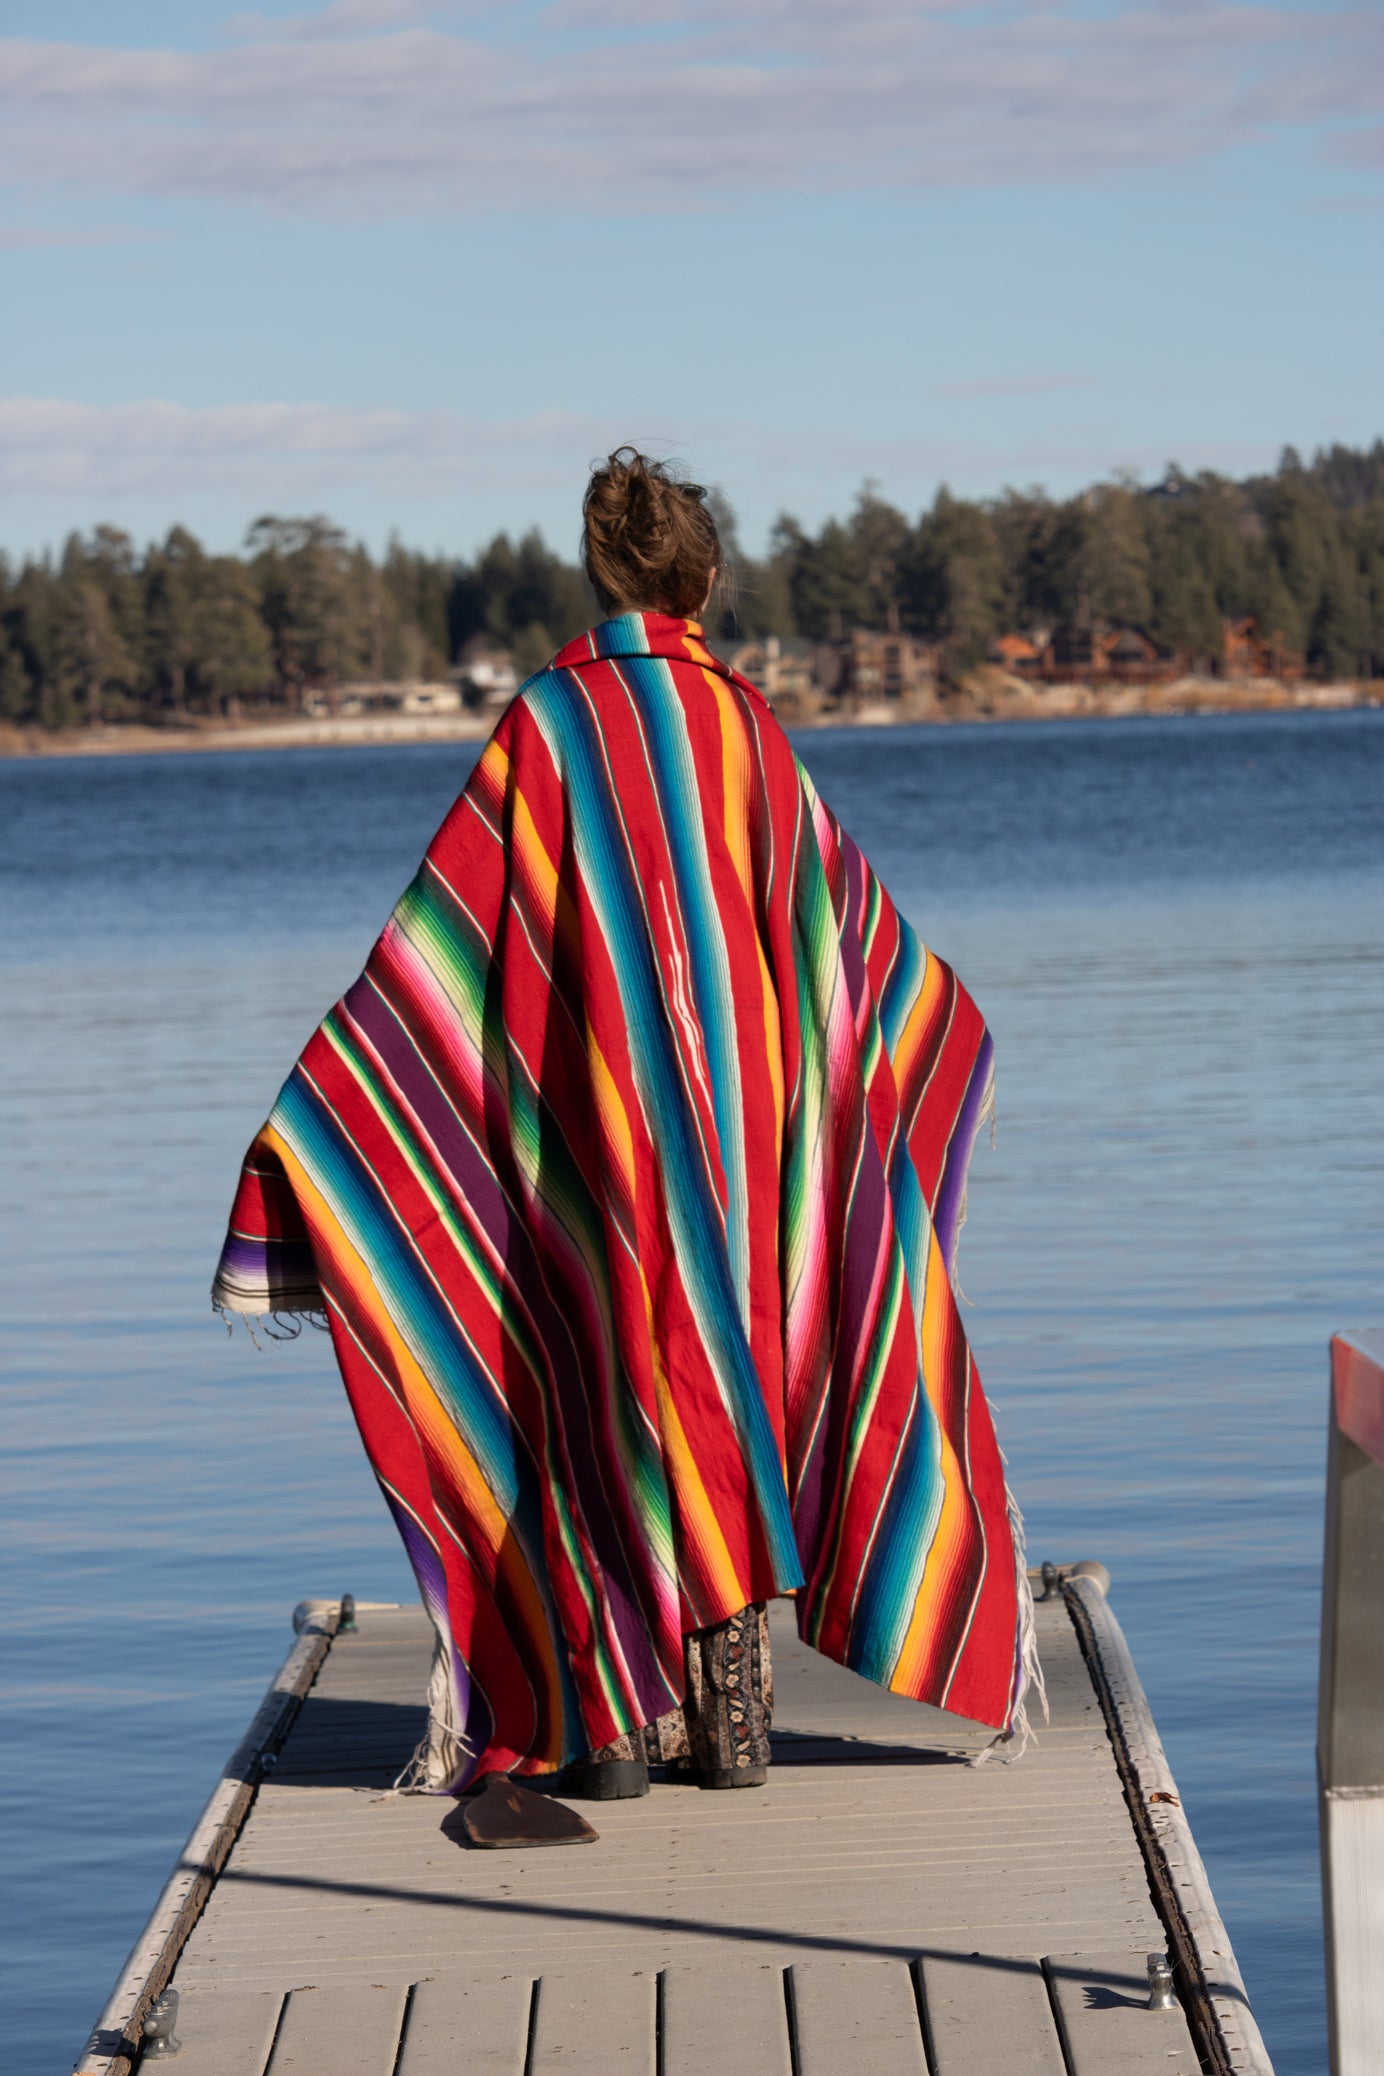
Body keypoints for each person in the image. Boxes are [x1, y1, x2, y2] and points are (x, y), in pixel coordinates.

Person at [212, 448, 1032, 1812]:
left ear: (604, 578)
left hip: (596, 1137)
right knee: (735, 1380)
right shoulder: (745, 728)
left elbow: (444, 952)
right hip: (752, 1154)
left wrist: (324, 1126)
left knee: (600, 1375)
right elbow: (849, 943)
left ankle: (611, 1732)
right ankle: (735, 1731)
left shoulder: (550, 724)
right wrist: (940, 1033)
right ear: (703, 584)